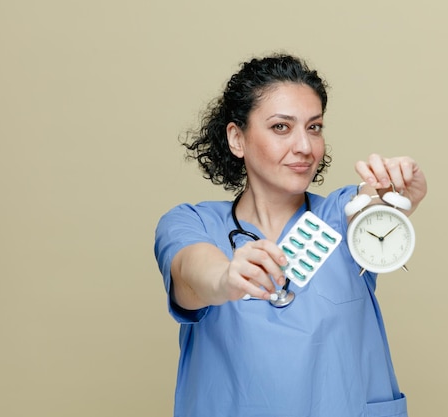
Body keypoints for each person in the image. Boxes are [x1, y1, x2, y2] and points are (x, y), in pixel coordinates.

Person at [154, 53, 427, 417]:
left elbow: (370, 207)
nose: (304, 147)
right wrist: (224, 278)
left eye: (314, 127)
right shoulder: (193, 223)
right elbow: (191, 273)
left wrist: (396, 188)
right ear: (237, 138)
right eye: (281, 127)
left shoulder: (341, 216)